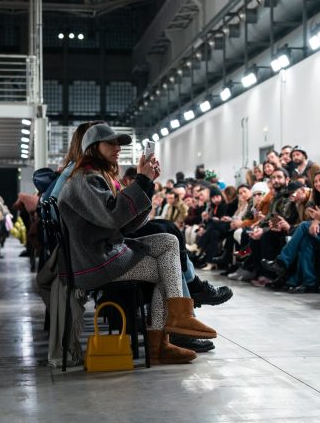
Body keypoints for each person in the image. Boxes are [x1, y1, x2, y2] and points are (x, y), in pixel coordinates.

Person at [58, 124, 217, 365]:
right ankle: (162, 340)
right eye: (110, 143)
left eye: (119, 143)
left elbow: (126, 224)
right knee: (166, 270)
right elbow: (114, 216)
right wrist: (141, 180)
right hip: (97, 262)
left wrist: (147, 183)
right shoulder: (84, 180)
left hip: (103, 253)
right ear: (92, 148)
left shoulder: (95, 176)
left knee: (169, 240)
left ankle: (177, 318)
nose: (117, 148)